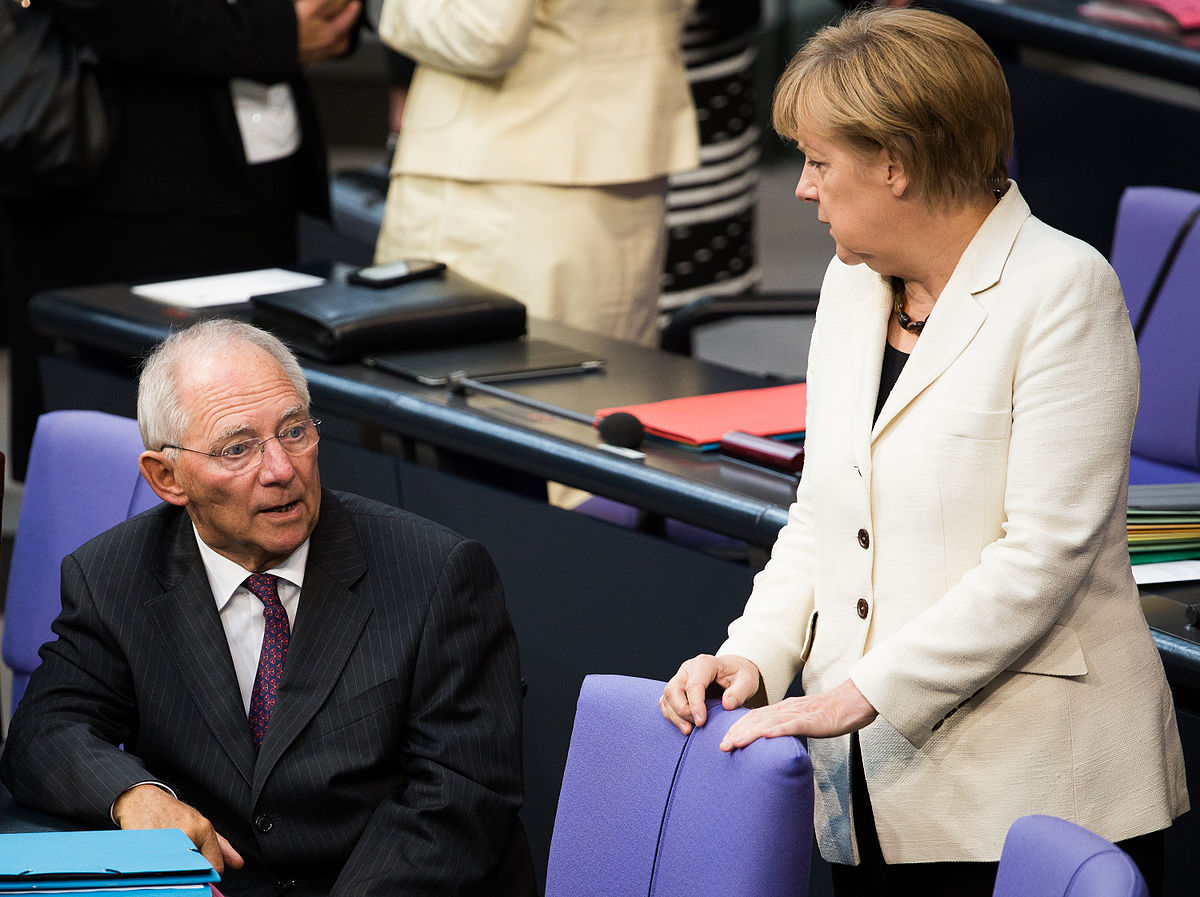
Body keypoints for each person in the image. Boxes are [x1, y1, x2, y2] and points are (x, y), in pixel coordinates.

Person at [659, 9, 1188, 897]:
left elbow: (1041, 556)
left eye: (819, 162)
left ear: (896, 163)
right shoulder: (851, 281)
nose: (802, 189)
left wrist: (858, 692)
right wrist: (753, 653)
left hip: (1035, 797)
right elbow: (822, 511)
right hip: (873, 791)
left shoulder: (1064, 290)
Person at [1, 319, 532, 897]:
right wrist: (135, 796)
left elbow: (458, 798)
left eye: (294, 431)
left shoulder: (436, 573)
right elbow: (45, 731)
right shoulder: (114, 575)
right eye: (237, 448)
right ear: (167, 478)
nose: (281, 469)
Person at [0, 0, 360, 481]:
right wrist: (273, 33)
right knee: (118, 468)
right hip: (121, 190)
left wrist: (324, 21)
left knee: (263, 436)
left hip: (257, 174)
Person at [372, 0, 700, 347]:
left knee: (494, 374)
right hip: (613, 155)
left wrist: (385, 7)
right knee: (603, 372)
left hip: (499, 186)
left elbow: (483, 31)